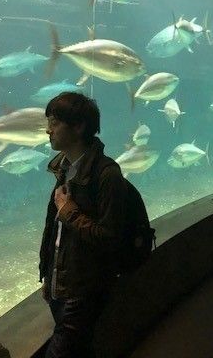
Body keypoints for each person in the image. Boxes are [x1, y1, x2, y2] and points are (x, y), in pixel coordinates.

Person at [40, 92, 148, 358]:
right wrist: (48, 274)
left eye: (55, 123)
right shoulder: (64, 168)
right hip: (60, 287)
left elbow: (109, 237)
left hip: (83, 291)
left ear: (79, 127)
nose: (48, 130)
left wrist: (69, 212)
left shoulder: (107, 175)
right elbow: (56, 232)